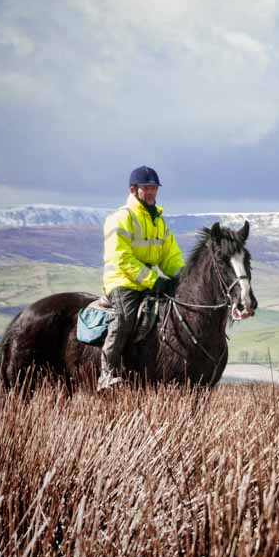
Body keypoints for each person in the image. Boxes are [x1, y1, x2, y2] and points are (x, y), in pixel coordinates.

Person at [98, 165, 185, 390]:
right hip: (122, 281)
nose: (151, 193)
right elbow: (121, 258)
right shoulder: (120, 218)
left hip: (146, 280)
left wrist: (182, 278)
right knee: (125, 318)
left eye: (154, 188)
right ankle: (107, 373)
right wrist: (154, 280)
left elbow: (170, 256)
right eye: (146, 188)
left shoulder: (159, 222)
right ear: (133, 190)